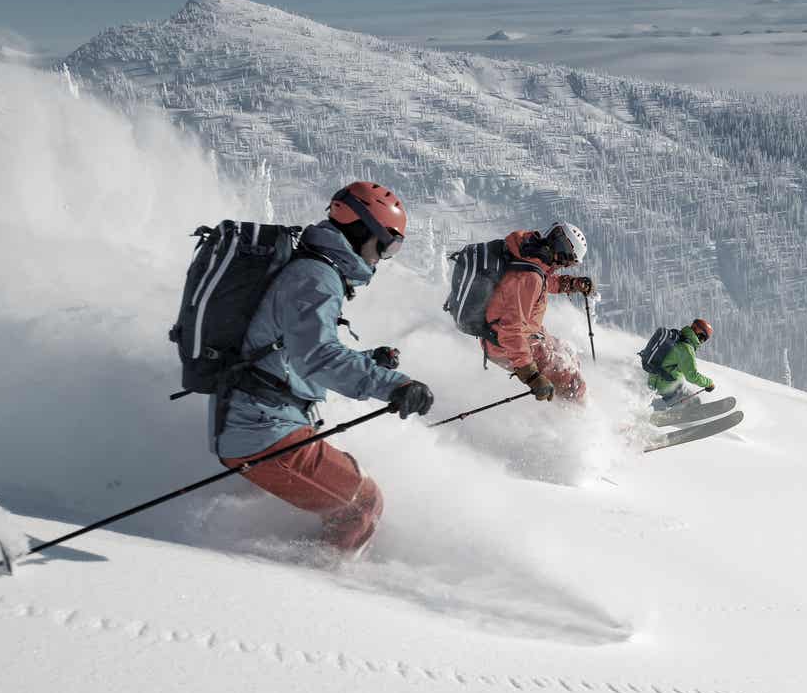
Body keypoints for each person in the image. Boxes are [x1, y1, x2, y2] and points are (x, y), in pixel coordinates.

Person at [213, 182, 435, 557]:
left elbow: (292, 349)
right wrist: (393, 385)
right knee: (362, 506)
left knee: (350, 492)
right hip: (263, 430)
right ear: (363, 230)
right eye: (388, 245)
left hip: (260, 420)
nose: (383, 257)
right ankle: (321, 588)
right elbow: (316, 357)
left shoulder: (313, 269)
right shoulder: (316, 277)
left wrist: (368, 361)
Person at [482, 222, 594, 402]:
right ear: (563, 250)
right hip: (506, 343)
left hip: (523, 334)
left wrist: (572, 284)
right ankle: (581, 420)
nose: (564, 266)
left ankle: (570, 402)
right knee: (572, 382)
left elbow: (544, 281)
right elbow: (511, 332)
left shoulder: (528, 254)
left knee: (567, 352)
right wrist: (531, 375)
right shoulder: (528, 277)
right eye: (568, 260)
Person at [647, 318, 716, 410]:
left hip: (653, 380)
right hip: (666, 385)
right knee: (694, 401)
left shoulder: (676, 338)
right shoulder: (686, 348)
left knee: (686, 393)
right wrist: (709, 383)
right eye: (703, 338)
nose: (702, 341)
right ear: (700, 335)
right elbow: (692, 376)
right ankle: (677, 417)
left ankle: (659, 408)